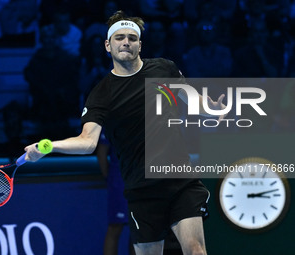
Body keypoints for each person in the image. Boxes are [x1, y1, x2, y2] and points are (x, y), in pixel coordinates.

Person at [24, 11, 225, 255]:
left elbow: (194, 102)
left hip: (180, 180)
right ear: (108, 45)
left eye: (132, 37)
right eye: (119, 38)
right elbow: (87, 142)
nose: (126, 42)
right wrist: (48, 146)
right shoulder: (102, 94)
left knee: (196, 250)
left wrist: (213, 110)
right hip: (141, 190)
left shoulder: (164, 69)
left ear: (140, 44)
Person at [96, 132, 135, 255]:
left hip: (141, 180)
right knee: (115, 227)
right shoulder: (111, 115)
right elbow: (101, 153)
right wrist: (111, 179)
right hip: (119, 180)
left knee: (138, 229)